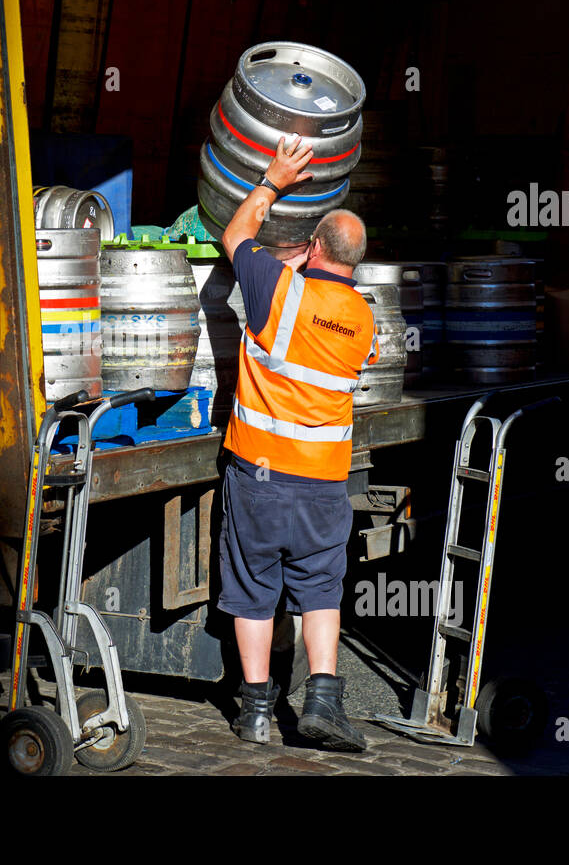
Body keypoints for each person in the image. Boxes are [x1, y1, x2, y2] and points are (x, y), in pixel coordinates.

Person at [216, 133, 378, 751]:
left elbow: (236, 236)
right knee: (319, 587)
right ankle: (323, 702)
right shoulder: (362, 317)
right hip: (324, 480)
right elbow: (348, 346)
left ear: (311, 247)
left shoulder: (276, 290)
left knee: (254, 587)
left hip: (258, 472)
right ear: (355, 264)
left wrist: (275, 181)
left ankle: (256, 712)